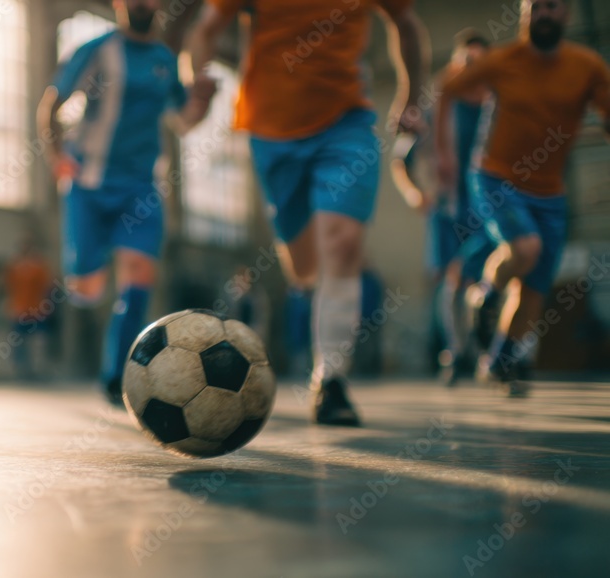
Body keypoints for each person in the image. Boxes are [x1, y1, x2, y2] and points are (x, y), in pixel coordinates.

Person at [187, 0, 426, 426]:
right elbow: (206, 29)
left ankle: (330, 379)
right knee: (304, 268)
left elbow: (405, 22)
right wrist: (196, 82)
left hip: (346, 124)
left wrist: (412, 96)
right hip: (271, 131)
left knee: (343, 243)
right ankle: (319, 305)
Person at [37, 0, 216, 406]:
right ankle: (83, 292)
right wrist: (55, 156)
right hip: (89, 183)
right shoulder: (97, 50)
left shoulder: (163, 60)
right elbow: (51, 104)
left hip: (140, 188)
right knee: (86, 287)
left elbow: (183, 120)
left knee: (138, 277)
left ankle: (117, 374)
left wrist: (202, 103)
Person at [436, 0, 610, 396]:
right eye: (535, 6)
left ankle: (499, 360)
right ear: (523, 12)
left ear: (566, 14)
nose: (543, 14)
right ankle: (485, 294)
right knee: (525, 248)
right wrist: (444, 153)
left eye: (552, 6)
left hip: (550, 193)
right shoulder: (503, 60)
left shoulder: (587, 67)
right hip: (496, 178)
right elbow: (446, 89)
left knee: (534, 290)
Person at [390, 29, 494, 385]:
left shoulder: (499, 106)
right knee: (452, 280)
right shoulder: (435, 110)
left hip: (490, 206)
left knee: (490, 274)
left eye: (480, 63)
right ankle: (457, 352)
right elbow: (401, 159)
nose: (472, 69)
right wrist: (415, 194)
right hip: (450, 207)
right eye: (466, 61)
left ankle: (493, 351)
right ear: (454, 64)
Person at [4, 236, 55, 380]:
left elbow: (47, 287)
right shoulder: (14, 267)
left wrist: (46, 306)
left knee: (38, 342)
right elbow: (9, 288)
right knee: (19, 342)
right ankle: (21, 371)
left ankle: (38, 370)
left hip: (36, 310)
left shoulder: (39, 267)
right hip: (19, 310)